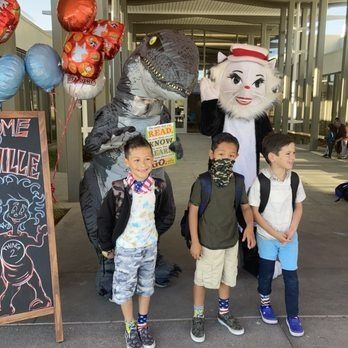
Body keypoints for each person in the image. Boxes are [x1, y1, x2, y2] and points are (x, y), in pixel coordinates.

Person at [97, 135, 175, 348]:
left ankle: (142, 324)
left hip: (149, 247)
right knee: (123, 289)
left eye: (147, 159)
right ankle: (130, 326)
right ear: (127, 162)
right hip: (126, 249)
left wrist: (154, 232)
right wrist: (106, 246)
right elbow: (103, 219)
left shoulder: (159, 187)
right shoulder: (118, 189)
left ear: (153, 160)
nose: (143, 164)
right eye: (137, 160)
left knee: (146, 287)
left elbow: (168, 213)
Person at [188, 132, 256, 343]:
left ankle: (223, 312)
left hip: (230, 241)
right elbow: (192, 212)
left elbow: (245, 208)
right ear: (212, 154)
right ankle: (198, 316)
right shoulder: (203, 182)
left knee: (227, 277)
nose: (226, 158)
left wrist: (250, 226)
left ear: (236, 156)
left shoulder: (238, 181)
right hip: (208, 242)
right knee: (201, 280)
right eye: (221, 154)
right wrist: (195, 242)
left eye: (231, 155)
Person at [248, 133, 306, 337]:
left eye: (294, 153)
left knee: (292, 278)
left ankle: (293, 315)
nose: (293, 157)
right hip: (267, 238)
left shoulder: (295, 179)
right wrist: (274, 233)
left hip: (290, 238)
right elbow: (255, 212)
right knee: (265, 274)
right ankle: (265, 302)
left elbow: (298, 207)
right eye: (288, 153)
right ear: (272, 157)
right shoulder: (261, 181)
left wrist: (291, 230)